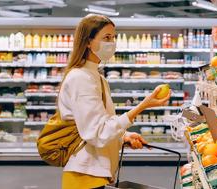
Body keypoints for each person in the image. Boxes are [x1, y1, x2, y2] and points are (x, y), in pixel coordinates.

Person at [58, 14, 171, 189]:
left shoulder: (97, 77)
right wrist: (142, 106)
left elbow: (99, 126)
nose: (112, 43)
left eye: (114, 37)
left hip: (97, 173)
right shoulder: (80, 78)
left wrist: (122, 138)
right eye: (106, 37)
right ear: (88, 42)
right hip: (84, 176)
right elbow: (97, 133)